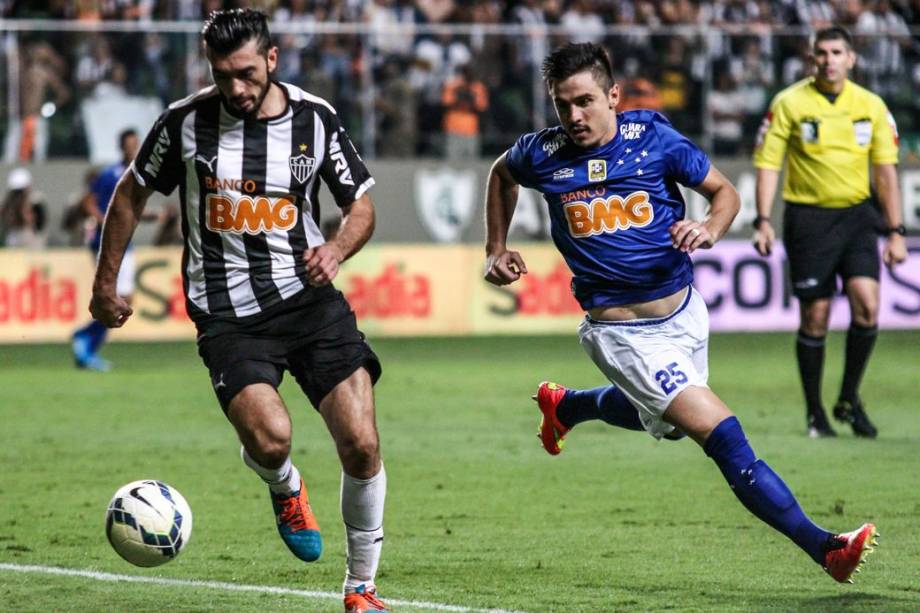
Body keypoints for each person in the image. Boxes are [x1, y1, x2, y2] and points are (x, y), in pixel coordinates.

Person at [483, 42, 878, 587]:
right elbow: (502, 174)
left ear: (614, 96)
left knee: (666, 426)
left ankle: (567, 407)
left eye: (585, 101)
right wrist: (494, 247)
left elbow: (724, 193)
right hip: (620, 332)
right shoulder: (542, 152)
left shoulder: (653, 140)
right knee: (723, 436)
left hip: (685, 314)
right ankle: (825, 548)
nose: (574, 116)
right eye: (562, 104)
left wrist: (710, 229)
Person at [87, 10, 389, 613]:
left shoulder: (315, 119)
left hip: (309, 301)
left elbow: (360, 207)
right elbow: (131, 193)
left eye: (247, 74)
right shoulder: (183, 123)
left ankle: (361, 588)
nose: (236, 89)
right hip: (227, 314)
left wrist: (336, 248)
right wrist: (105, 283)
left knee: (360, 443)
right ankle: (284, 485)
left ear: (272, 61)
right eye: (223, 76)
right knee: (272, 441)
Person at [752, 26, 906, 439]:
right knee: (815, 316)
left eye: (837, 52)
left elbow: (885, 171)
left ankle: (848, 399)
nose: (829, 59)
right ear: (811, 58)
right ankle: (815, 412)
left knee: (868, 306)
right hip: (809, 219)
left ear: (851, 58)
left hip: (858, 217)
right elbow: (768, 163)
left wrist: (895, 230)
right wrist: (763, 220)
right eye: (821, 52)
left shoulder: (872, 106)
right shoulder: (788, 103)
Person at [72, 129, 144, 372]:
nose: (133, 148)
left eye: (136, 143)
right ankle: (85, 342)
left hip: (126, 240)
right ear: (121, 147)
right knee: (115, 297)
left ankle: (86, 341)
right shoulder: (110, 173)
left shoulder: (139, 172)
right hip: (109, 241)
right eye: (129, 144)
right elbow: (87, 202)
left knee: (125, 298)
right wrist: (105, 221)